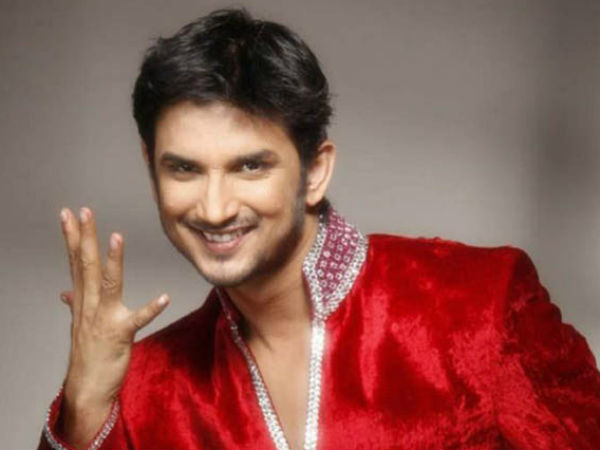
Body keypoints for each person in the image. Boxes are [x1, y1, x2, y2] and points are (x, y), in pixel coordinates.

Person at [38, 8, 600, 450]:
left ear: (315, 171)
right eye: (184, 169)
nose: (214, 207)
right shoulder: (145, 388)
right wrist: (84, 407)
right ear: (151, 168)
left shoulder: (479, 306)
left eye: (250, 166)